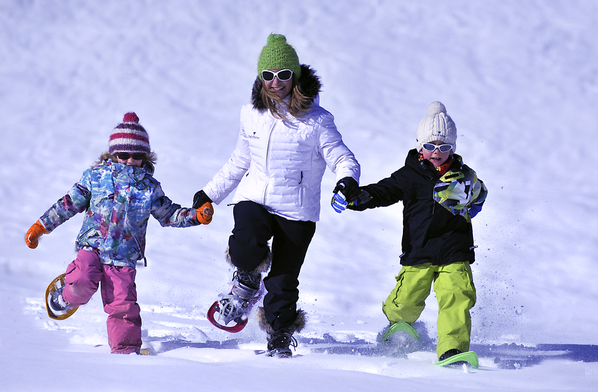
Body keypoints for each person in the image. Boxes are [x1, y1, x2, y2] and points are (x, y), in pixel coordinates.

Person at [192, 33, 360, 358]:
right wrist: (209, 193)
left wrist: (346, 182)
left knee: (283, 283)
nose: (275, 82)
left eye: (283, 74)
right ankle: (246, 280)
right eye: (268, 75)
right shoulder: (250, 114)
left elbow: (343, 158)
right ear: (260, 77)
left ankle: (279, 333)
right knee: (244, 242)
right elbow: (240, 160)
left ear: (294, 76)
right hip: (255, 198)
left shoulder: (317, 120)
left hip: (297, 212)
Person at [25, 112, 214, 355]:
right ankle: (66, 296)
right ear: (113, 154)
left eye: (137, 156)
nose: (129, 160)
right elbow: (68, 204)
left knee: (123, 305)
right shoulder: (95, 177)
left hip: (124, 257)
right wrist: (41, 227)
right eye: (124, 155)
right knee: (82, 280)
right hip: (92, 247)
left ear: (145, 156)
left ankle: (125, 351)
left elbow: (169, 214)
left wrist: (196, 216)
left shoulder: (149, 187)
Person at [347, 101, 487, 362]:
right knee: (408, 297)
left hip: (454, 249)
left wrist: (473, 196)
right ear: (420, 146)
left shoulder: (463, 175)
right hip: (418, 249)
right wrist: (360, 197)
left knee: (457, 297)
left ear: (453, 149)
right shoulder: (409, 175)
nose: (437, 152)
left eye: (444, 147)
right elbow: (384, 190)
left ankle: (452, 348)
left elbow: (479, 195)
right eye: (431, 146)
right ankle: (397, 322)